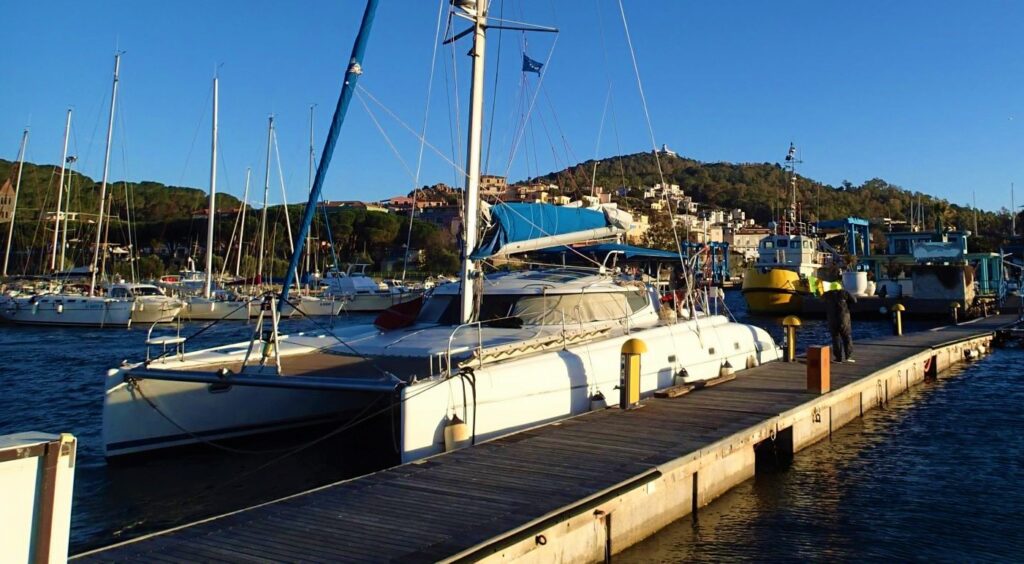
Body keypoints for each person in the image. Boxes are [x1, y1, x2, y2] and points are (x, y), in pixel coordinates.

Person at [822, 284, 857, 363]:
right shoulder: (844, 293)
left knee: (835, 338)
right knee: (847, 337)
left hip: (832, 319)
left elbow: (821, 299)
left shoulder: (827, 294)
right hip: (844, 319)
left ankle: (838, 358)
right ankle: (848, 357)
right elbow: (854, 300)